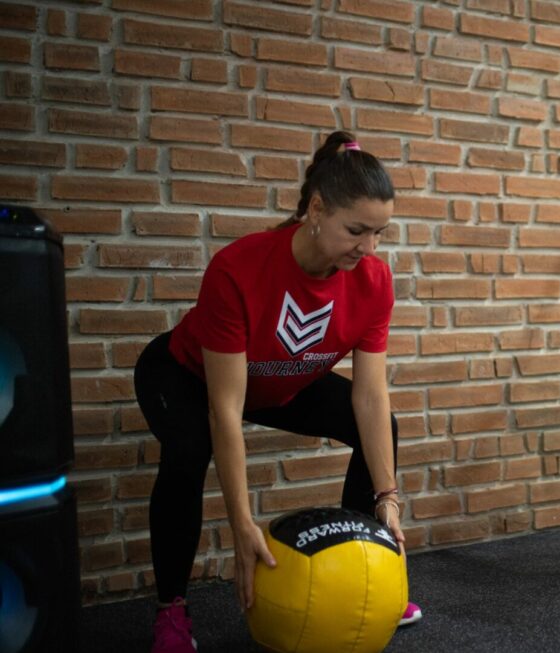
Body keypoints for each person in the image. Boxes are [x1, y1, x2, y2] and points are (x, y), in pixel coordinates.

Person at [134, 131, 421, 653]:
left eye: (380, 233)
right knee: (189, 449)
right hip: (186, 377)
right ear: (316, 209)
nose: (369, 248)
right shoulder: (239, 269)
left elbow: (371, 398)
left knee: (379, 428)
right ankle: (171, 611)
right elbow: (225, 408)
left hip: (282, 380)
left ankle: (370, 574)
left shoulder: (374, 281)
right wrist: (242, 524)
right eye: (356, 230)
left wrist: (388, 498)